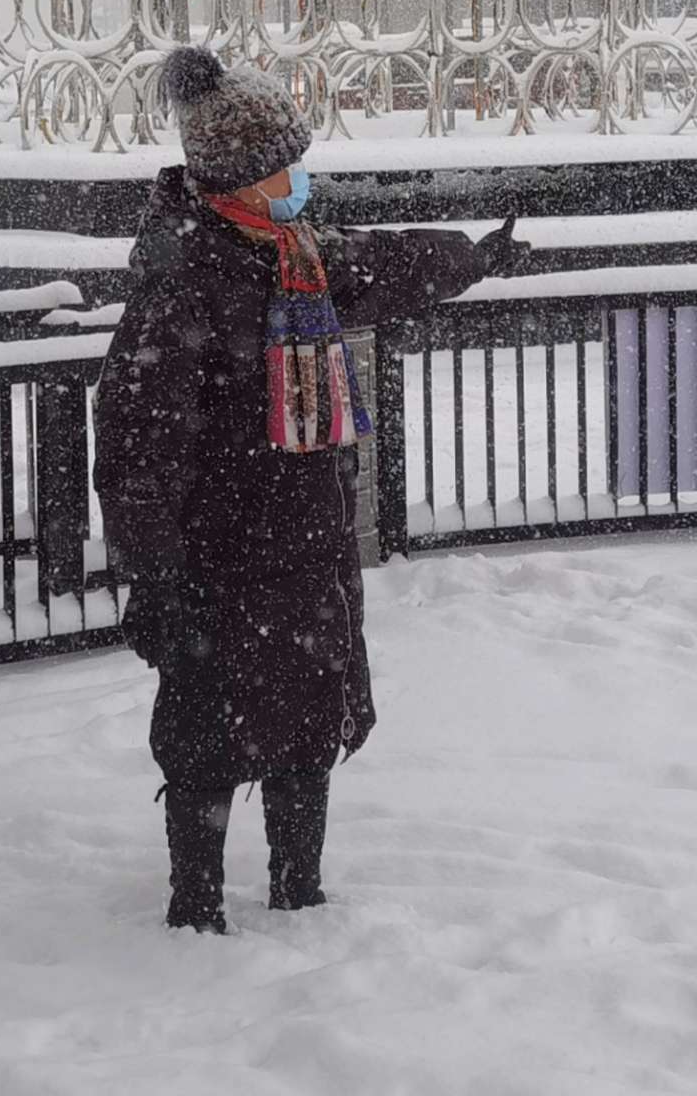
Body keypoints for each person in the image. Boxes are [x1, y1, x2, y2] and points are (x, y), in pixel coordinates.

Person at [95, 46, 526, 932]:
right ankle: (197, 907)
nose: (301, 179)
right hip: (221, 555)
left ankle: (300, 890)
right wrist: (157, 575)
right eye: (285, 166)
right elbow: (137, 449)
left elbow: (385, 267)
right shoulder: (184, 282)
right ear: (241, 180)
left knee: (305, 720)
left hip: (303, 545)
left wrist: (471, 259)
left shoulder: (298, 256)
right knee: (209, 736)